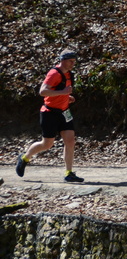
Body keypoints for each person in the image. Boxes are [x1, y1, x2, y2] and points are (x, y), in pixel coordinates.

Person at [15, 51, 85, 183]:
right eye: (71, 61)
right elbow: (43, 91)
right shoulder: (54, 74)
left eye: (74, 61)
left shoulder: (69, 74)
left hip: (64, 112)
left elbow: (59, 91)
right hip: (49, 112)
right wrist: (62, 92)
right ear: (63, 60)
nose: (73, 64)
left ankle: (69, 173)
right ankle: (24, 157)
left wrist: (66, 97)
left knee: (70, 141)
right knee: (47, 144)